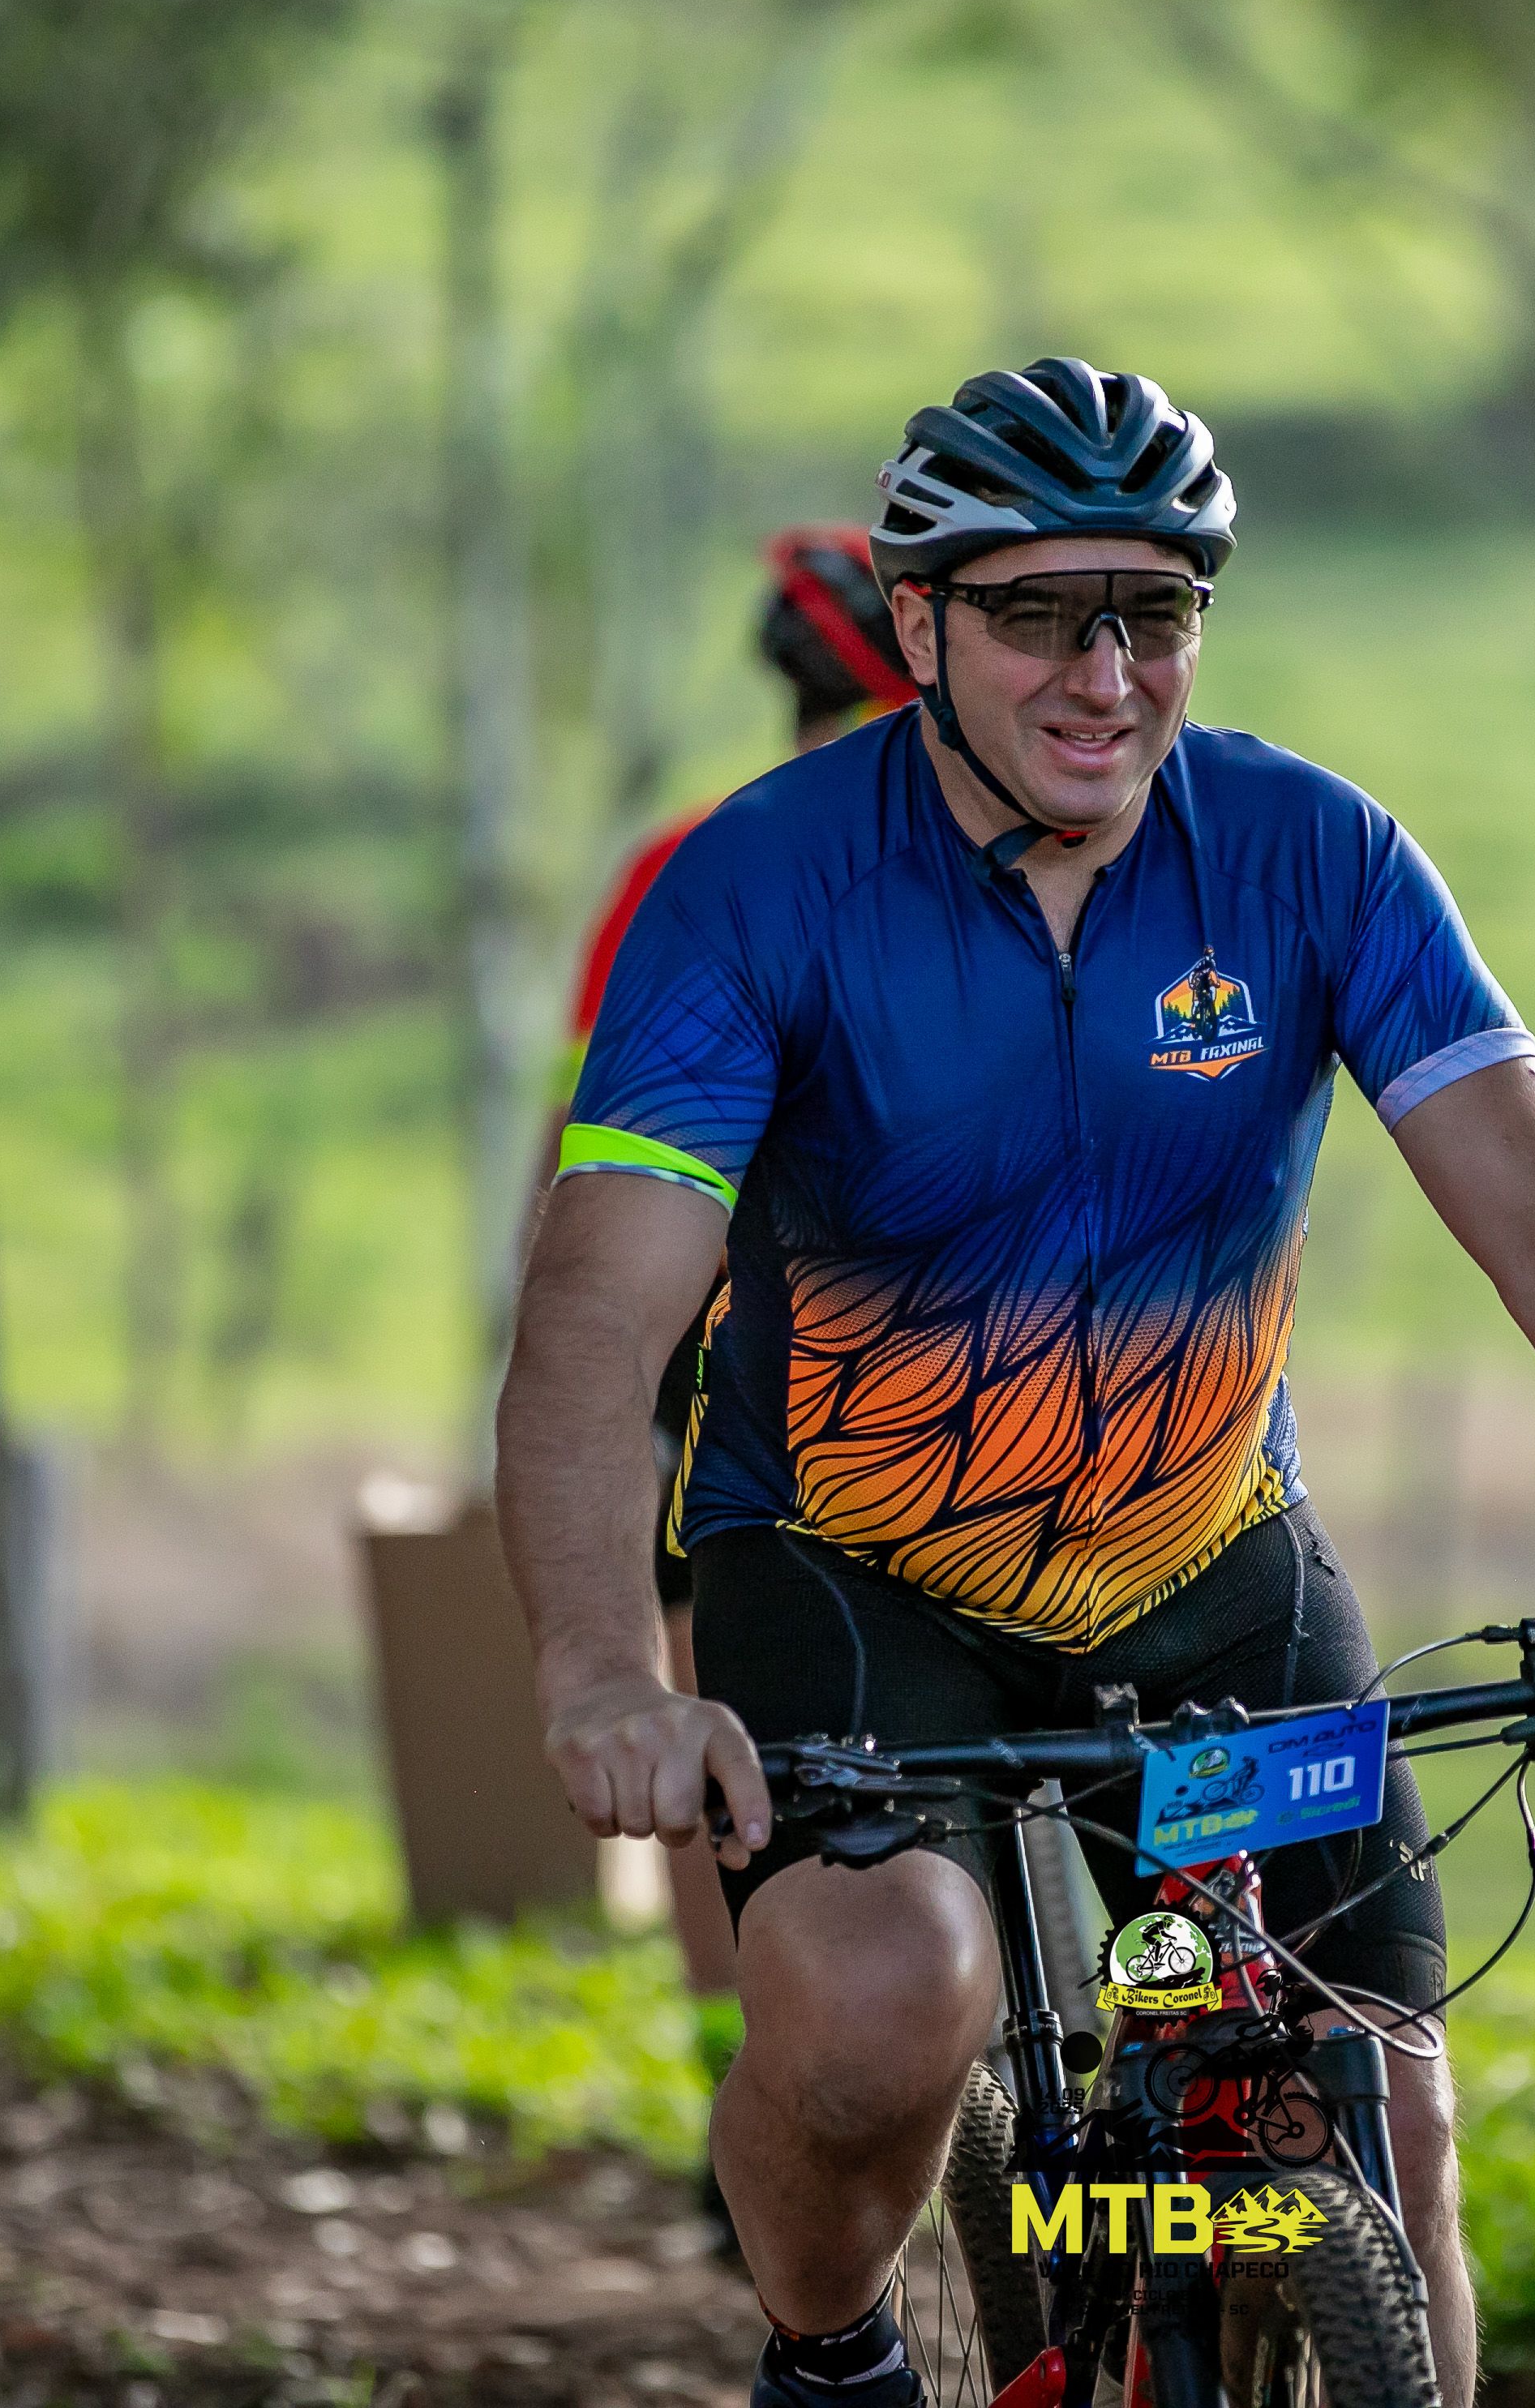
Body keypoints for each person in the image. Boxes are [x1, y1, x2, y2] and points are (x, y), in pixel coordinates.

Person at [496, 360, 1535, 2408]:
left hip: (1213, 1572)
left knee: (1382, 2124)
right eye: (1041, 614)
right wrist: (608, 1673)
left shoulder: (1316, 855)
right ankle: (831, 2353)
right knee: (882, 2017)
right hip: (858, 1571)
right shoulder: (754, 886)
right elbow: (598, 1321)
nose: (1106, 674)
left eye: (1155, 609)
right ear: (920, 621)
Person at [535, 525, 917, 2078]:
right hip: (942, 1341)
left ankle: (738, 2062)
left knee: (720, 1712)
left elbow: (576, 1147)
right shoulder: (987, 852)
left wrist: (576, 1349)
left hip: (713, 1342)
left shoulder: (676, 862)